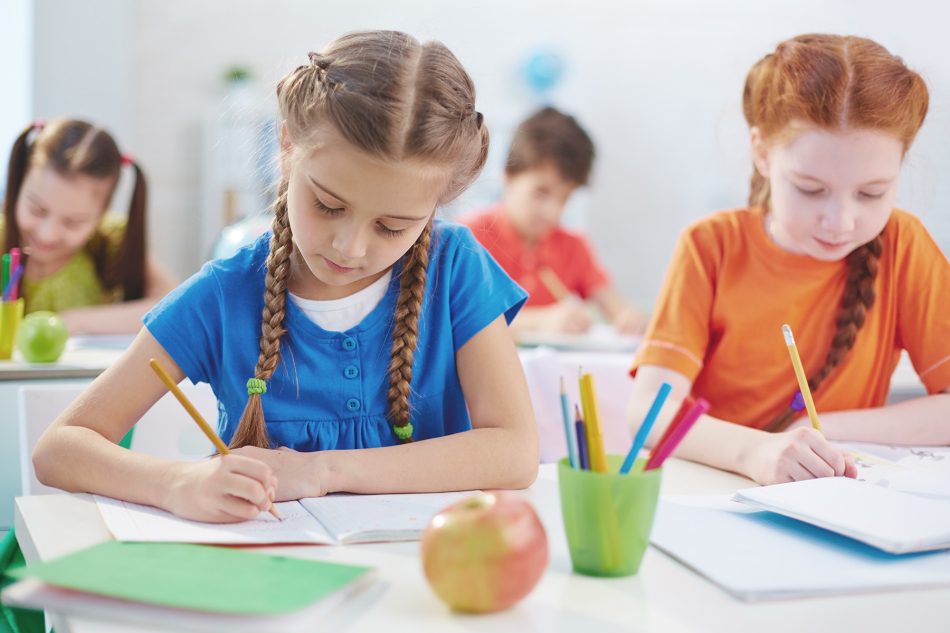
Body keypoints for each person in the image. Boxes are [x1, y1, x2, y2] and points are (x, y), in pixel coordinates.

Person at [33, 30, 539, 523]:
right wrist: (175, 483)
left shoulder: (456, 270)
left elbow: (514, 452)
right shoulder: (224, 295)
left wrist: (321, 470)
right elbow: (59, 447)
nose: (350, 247)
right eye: (327, 205)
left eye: (392, 227)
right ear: (287, 146)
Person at [627, 34, 950, 486]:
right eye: (811, 189)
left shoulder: (904, 244)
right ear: (762, 152)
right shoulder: (711, 246)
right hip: (714, 491)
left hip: (836, 499)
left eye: (872, 193)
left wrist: (820, 429)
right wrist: (755, 451)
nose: (841, 222)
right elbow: (648, 410)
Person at [460, 107, 646, 335]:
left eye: (565, 197)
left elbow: (615, 306)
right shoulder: (467, 238)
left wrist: (628, 318)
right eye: (541, 192)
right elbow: (460, 320)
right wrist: (539, 322)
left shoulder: (572, 246)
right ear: (508, 175)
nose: (553, 212)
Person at [2, 118, 177, 334]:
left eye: (73, 222)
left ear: (103, 213)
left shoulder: (111, 238)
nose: (48, 234)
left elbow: (176, 307)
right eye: (37, 210)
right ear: (18, 185)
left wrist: (72, 322)